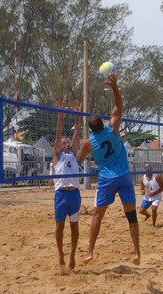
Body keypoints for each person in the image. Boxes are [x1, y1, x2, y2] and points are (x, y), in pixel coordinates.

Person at [77, 72, 141, 266]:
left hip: (106, 179)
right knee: (131, 214)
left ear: (90, 129)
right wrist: (114, 87)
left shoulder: (88, 143)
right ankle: (137, 252)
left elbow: (79, 158)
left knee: (98, 215)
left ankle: (89, 252)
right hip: (124, 176)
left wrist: (90, 155)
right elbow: (119, 107)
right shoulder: (113, 127)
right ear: (103, 124)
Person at [51, 99, 82, 271]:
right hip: (61, 195)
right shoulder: (57, 156)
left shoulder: (73, 154)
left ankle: (72, 254)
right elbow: (57, 136)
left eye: (67, 142)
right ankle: (61, 253)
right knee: (59, 226)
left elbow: (76, 133)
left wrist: (77, 115)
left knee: (74, 226)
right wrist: (60, 116)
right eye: (63, 143)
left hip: (74, 195)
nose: (66, 144)